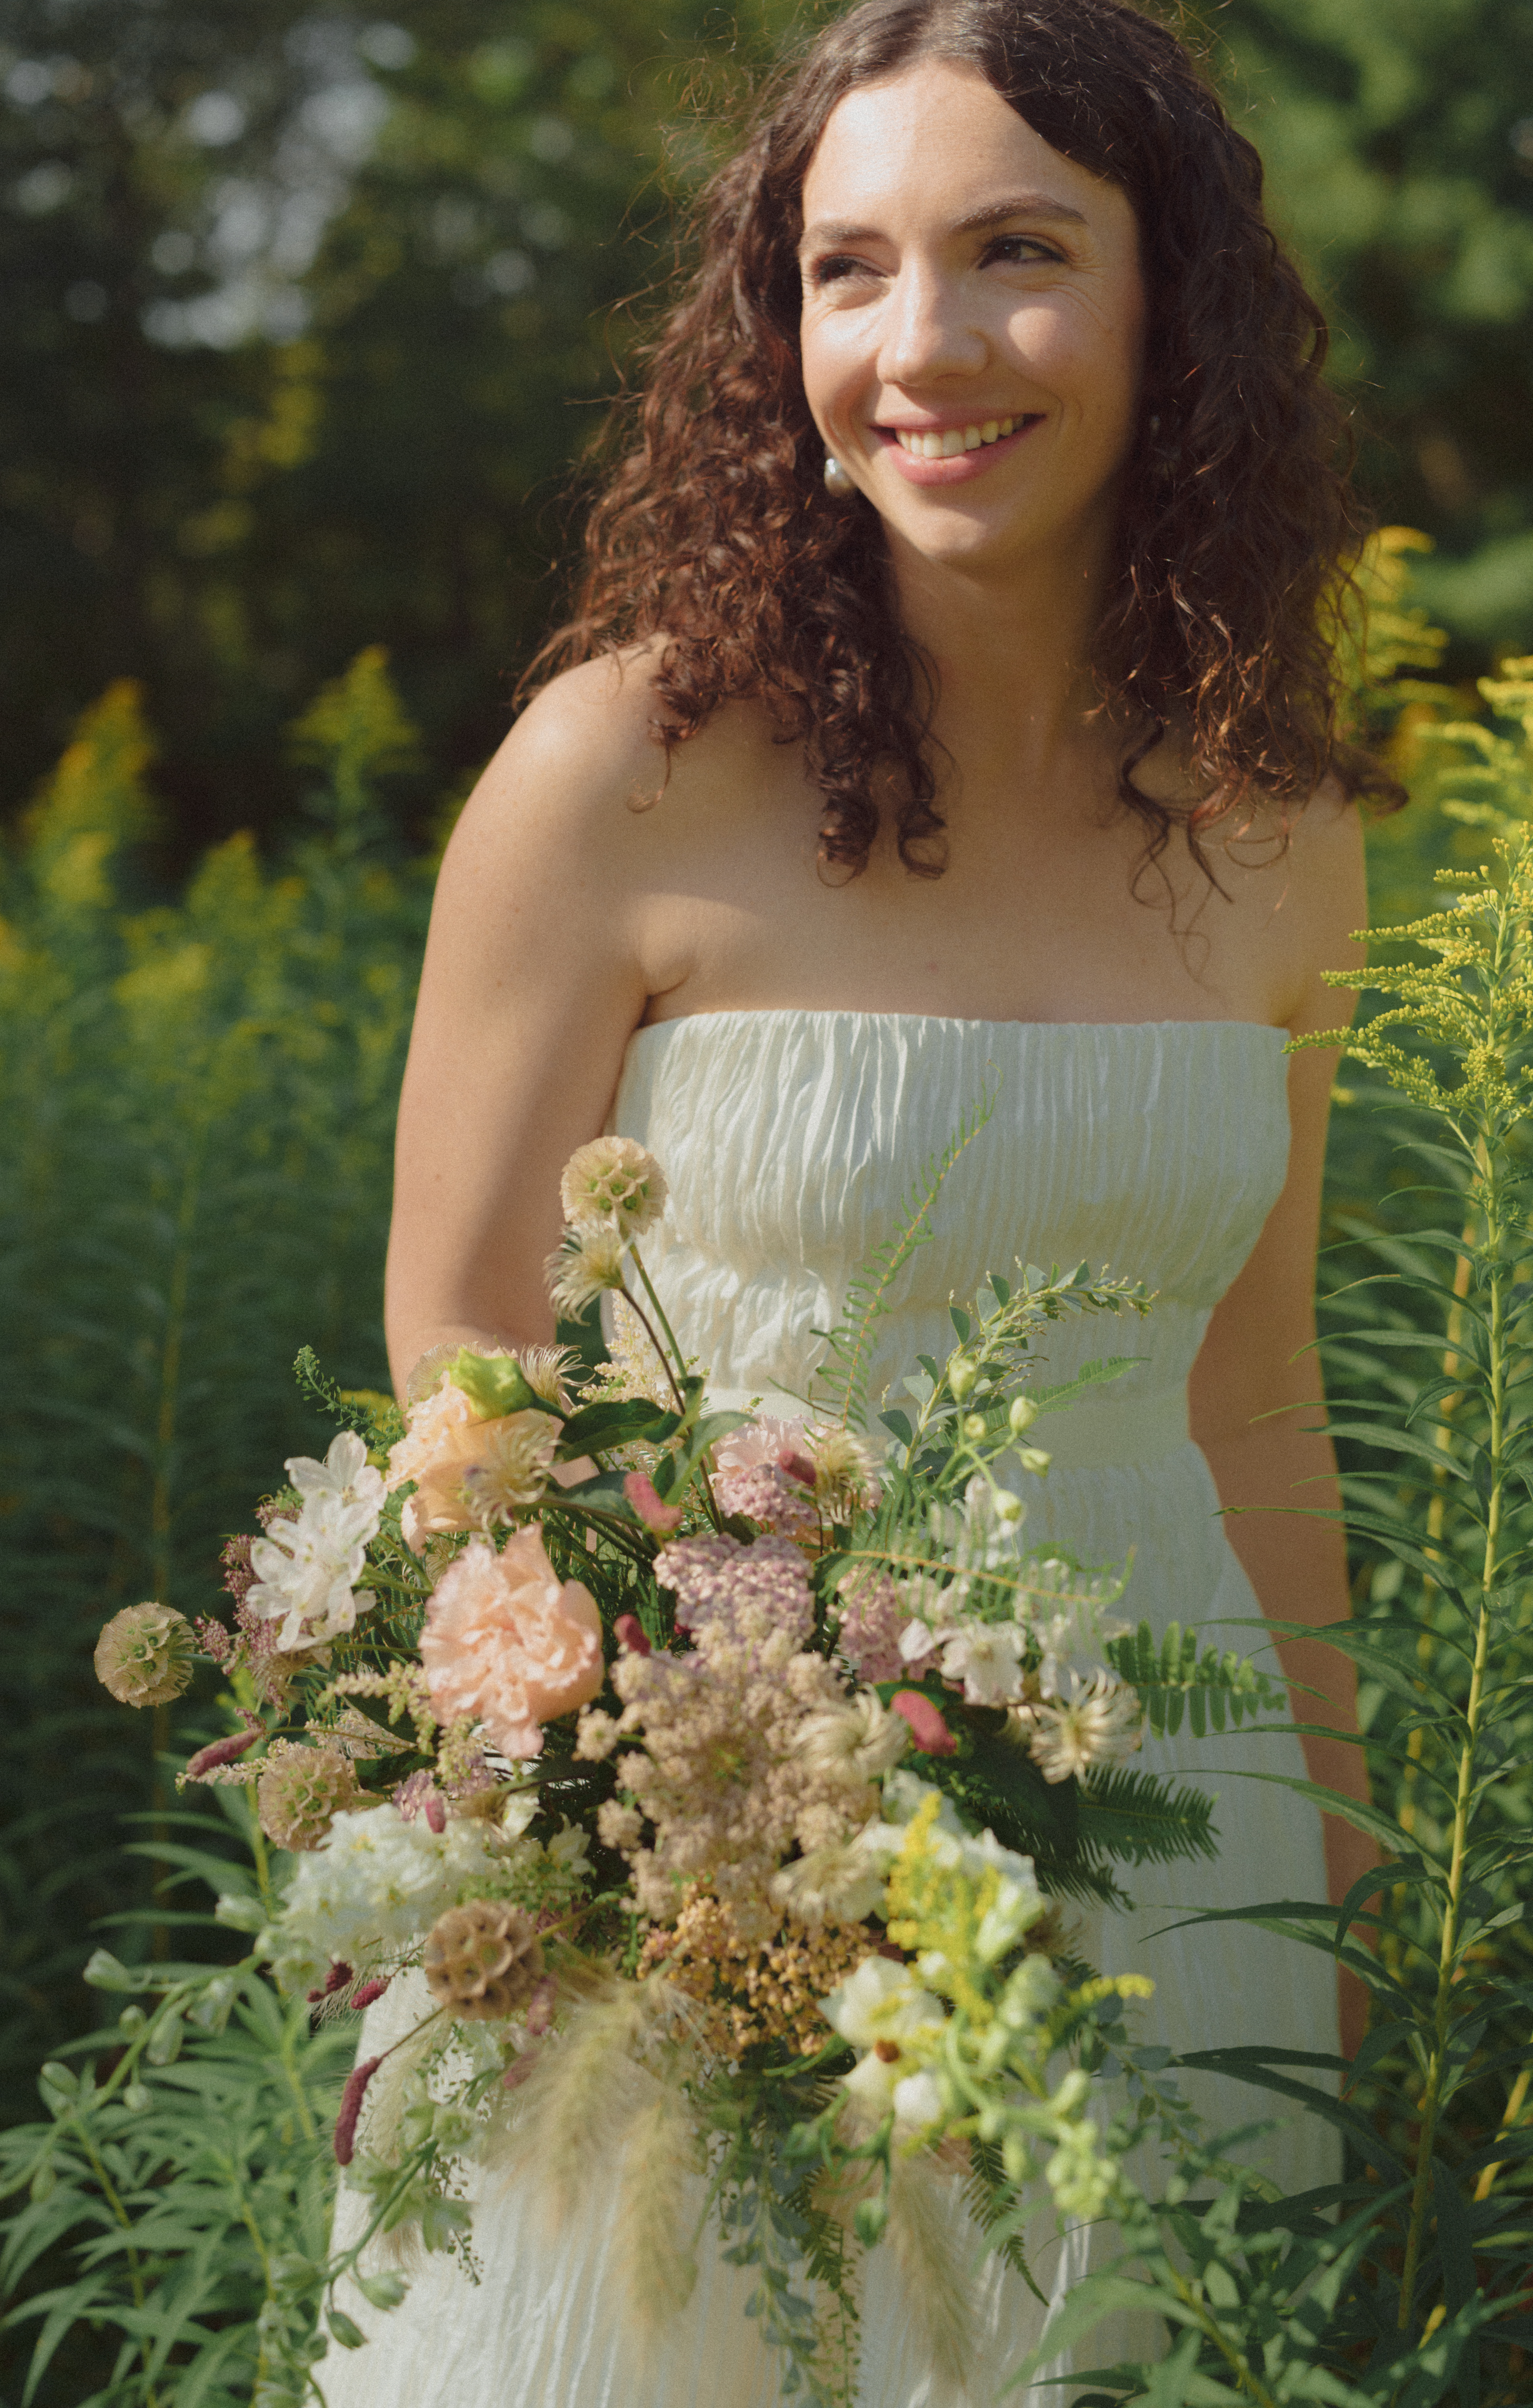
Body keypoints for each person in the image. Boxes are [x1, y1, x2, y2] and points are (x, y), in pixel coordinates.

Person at [335, 3, 1392, 2400]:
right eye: (845, 269)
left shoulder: (1275, 821)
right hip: (705, 1875)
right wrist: (686, 1796)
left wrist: (1332, 1881)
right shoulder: (621, 771)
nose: (918, 346)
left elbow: (1253, 1404)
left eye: (1014, 252)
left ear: (1170, 305)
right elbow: (466, 1354)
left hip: (1171, 1850)